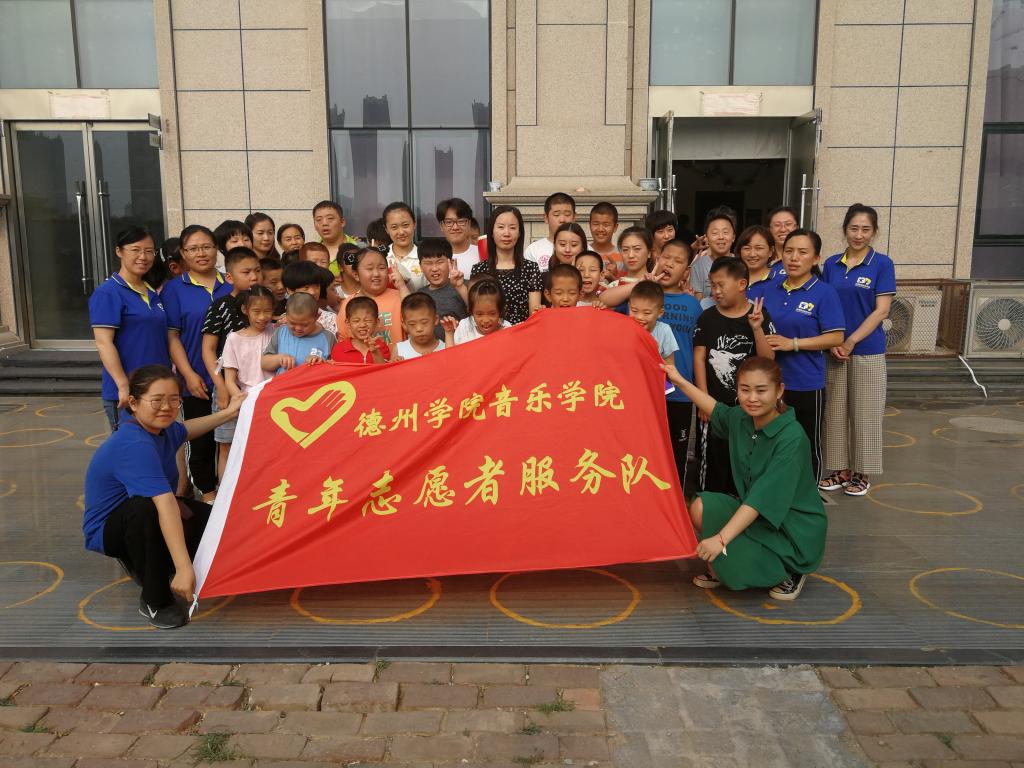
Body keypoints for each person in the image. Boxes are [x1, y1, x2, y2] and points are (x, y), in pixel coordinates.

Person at [83, 365, 245, 628]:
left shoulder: (162, 430)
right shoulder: (134, 443)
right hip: (115, 528)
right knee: (145, 510)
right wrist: (184, 569)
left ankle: (156, 561)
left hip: (154, 512)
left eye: (174, 400)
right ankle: (155, 600)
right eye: (157, 400)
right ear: (133, 403)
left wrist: (228, 413)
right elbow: (166, 503)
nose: (166, 407)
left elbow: (186, 430)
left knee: (218, 522)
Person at [662, 356, 828, 601]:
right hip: (759, 518)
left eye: (761, 390)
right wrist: (678, 380)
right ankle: (735, 561)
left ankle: (790, 569)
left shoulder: (791, 437)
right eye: (745, 389)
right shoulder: (742, 418)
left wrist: (720, 540)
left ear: (779, 390)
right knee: (701, 507)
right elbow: (716, 410)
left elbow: (760, 499)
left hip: (793, 532)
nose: (752, 398)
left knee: (729, 566)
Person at [820, 203, 895, 497]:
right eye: (854, 228)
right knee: (835, 412)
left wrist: (850, 341)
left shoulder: (882, 264)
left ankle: (862, 473)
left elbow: (882, 311)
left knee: (866, 413)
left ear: (874, 232)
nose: (859, 235)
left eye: (865, 229)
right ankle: (839, 470)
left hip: (867, 350)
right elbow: (825, 304)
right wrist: (833, 342)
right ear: (844, 230)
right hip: (834, 350)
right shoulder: (831, 264)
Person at [759, 229, 846, 481]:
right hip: (770, 383)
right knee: (770, 443)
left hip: (806, 382)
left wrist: (793, 344)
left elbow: (836, 337)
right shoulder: (769, 289)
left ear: (816, 258)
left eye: (802, 252)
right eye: (789, 251)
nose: (794, 257)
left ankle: (808, 494)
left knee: (805, 444)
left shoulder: (824, 292)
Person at [163, 224, 232, 502]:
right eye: (193, 249)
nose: (201, 253)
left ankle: (229, 495)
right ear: (183, 253)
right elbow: (172, 337)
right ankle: (207, 496)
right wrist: (189, 374)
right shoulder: (174, 289)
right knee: (200, 443)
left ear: (217, 249)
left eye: (206, 247)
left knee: (230, 441)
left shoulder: (231, 283)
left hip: (234, 380)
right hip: (198, 380)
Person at [694, 258, 775, 495]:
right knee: (714, 460)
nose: (716, 291)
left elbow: (768, 359)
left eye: (721, 285)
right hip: (715, 406)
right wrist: (703, 399)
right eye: (712, 286)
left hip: (749, 407)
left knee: (746, 458)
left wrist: (757, 328)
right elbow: (700, 358)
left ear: (741, 284)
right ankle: (710, 502)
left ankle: (743, 504)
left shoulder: (759, 315)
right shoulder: (707, 317)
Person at [90, 226, 172, 431]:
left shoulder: (151, 291)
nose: (143, 257)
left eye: (149, 251)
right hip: (129, 392)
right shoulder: (108, 293)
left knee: (160, 445)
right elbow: (104, 343)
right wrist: (122, 384)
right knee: (132, 446)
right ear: (119, 251)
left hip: (157, 388)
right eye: (135, 250)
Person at [200, 247, 262, 483]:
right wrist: (222, 386)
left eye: (257, 270)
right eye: (246, 272)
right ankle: (224, 496)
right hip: (228, 385)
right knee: (226, 444)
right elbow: (208, 349)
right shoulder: (221, 305)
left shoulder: (269, 304)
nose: (254, 277)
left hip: (258, 386)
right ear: (229, 277)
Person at [654, 240, 702, 490]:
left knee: (677, 453)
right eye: (666, 257)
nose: (669, 264)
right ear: (657, 258)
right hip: (647, 392)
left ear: (686, 271)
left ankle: (678, 501)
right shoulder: (644, 295)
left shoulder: (693, 305)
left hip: (681, 392)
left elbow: (698, 351)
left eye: (678, 261)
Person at [220, 285, 275, 447]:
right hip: (249, 401)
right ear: (245, 310)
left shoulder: (277, 331)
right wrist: (243, 402)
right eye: (256, 311)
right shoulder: (234, 339)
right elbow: (230, 380)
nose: (263, 317)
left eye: (267, 311)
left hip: (275, 399)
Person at [470, 206, 543, 325]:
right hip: (488, 333)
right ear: (492, 232)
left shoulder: (531, 268)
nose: (507, 233)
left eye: (512, 228)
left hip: (520, 332)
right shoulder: (479, 269)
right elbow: (473, 308)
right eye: (501, 227)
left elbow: (534, 313)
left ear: (519, 233)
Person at [338, 248, 405, 344]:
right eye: (369, 269)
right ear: (356, 275)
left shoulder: (400, 296)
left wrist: (402, 287)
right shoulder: (348, 304)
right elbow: (343, 340)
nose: (376, 274)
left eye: (382, 268)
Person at [261, 292, 335, 375]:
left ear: (317, 317)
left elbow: (336, 367)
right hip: (284, 382)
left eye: (304, 325)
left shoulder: (328, 338)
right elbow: (264, 363)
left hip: (313, 382)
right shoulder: (281, 332)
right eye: (292, 323)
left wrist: (321, 362)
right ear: (286, 314)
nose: (298, 328)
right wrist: (279, 359)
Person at [415, 238, 468, 341]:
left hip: (462, 346)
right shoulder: (420, 294)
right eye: (428, 263)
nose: (434, 268)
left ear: (451, 263)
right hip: (433, 349)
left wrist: (460, 287)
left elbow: (478, 311)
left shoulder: (464, 285)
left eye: (439, 262)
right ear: (420, 266)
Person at [690, 206, 737, 302]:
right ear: (706, 237)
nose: (721, 237)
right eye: (715, 233)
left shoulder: (740, 264)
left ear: (733, 237)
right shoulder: (698, 265)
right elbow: (698, 302)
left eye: (725, 232)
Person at [446, 277, 511, 344]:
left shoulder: (507, 329)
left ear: (500, 311)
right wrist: (449, 333)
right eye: (479, 314)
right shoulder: (464, 327)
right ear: (471, 311)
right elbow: (452, 350)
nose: (486, 320)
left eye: (492, 313)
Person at [283, 259, 339, 336]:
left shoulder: (330, 319)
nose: (313, 292)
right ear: (290, 290)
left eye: (317, 286)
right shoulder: (284, 320)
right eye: (306, 287)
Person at [628, 280, 678, 365]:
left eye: (647, 313)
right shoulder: (626, 328)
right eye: (634, 311)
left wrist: (654, 352)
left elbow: (670, 365)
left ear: (660, 313)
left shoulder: (664, 330)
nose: (639, 317)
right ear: (629, 307)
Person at [331, 296, 392, 364]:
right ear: (348, 323)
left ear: (377, 322)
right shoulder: (339, 349)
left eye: (368, 320)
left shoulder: (381, 347)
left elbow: (384, 369)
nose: (362, 325)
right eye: (356, 321)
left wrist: (375, 352)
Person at [524, 192, 576, 270]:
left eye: (567, 214)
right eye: (556, 215)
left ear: (574, 217)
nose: (562, 220)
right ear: (546, 218)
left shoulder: (586, 249)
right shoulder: (533, 250)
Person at [384, 201, 424, 290]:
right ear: (386, 229)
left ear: (414, 224)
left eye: (405, 225)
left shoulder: (424, 257)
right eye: (394, 227)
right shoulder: (380, 256)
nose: (401, 232)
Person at [437, 197, 481, 276]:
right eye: (449, 222)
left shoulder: (482, 255)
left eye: (461, 221)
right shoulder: (434, 257)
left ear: (469, 223)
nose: (455, 227)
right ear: (441, 226)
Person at [394, 293, 445, 359]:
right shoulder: (399, 350)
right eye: (412, 324)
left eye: (424, 322)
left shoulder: (445, 348)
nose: (419, 329)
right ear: (404, 325)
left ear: (435, 319)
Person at [313, 200, 358, 264]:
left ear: (342, 222)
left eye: (330, 218)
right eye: (319, 220)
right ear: (314, 225)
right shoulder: (311, 253)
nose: (324, 223)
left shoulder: (359, 250)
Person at [736, 224, 776, 289]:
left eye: (759, 248)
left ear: (771, 251)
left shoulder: (781, 280)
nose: (752, 254)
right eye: (747, 248)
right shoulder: (731, 278)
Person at [589, 202, 622, 280]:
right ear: (589, 225)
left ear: (615, 227)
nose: (600, 229)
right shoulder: (583, 251)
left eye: (606, 225)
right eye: (596, 224)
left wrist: (614, 276)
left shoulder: (623, 255)